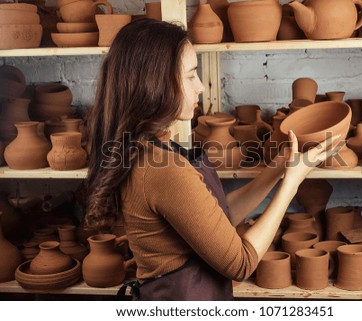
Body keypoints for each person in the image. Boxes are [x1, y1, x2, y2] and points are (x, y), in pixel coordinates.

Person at [84, 18, 339, 300]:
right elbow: (240, 263)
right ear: (155, 83)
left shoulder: (147, 149)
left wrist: (277, 168)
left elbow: (216, 219)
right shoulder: (162, 170)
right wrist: (292, 183)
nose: (201, 87)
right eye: (191, 75)